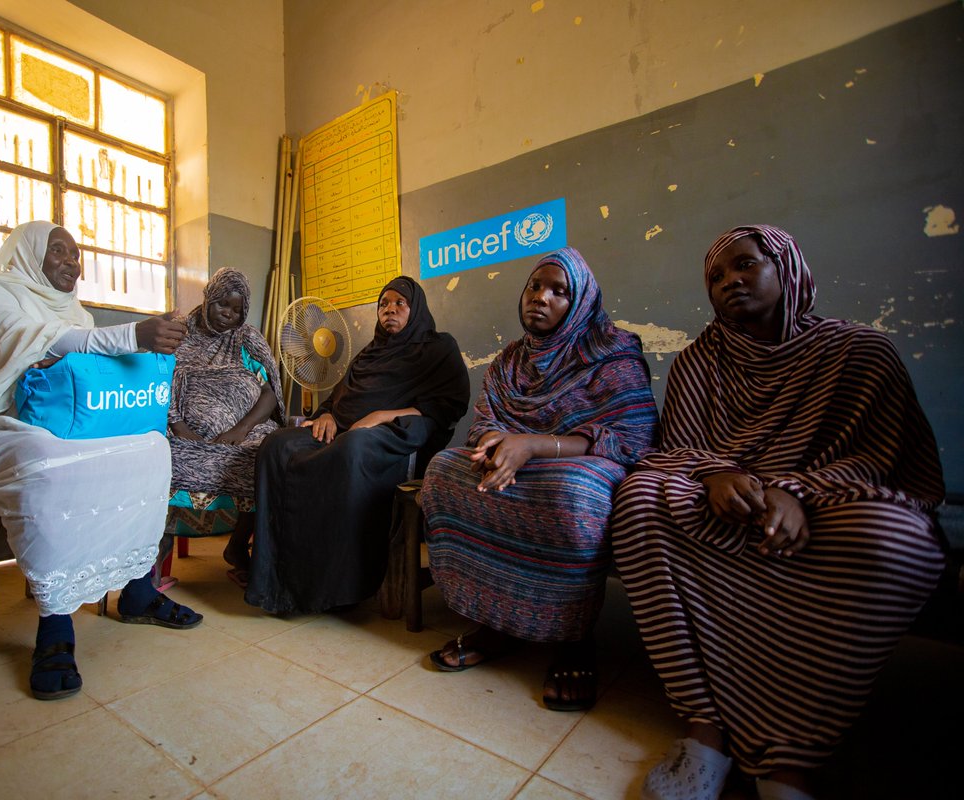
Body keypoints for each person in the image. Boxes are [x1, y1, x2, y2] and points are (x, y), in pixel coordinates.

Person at [610, 225, 946, 800]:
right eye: (715, 278)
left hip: (824, 501)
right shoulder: (699, 362)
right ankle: (704, 726)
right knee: (638, 502)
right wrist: (714, 475)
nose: (728, 283)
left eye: (744, 266)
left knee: (895, 538)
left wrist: (795, 492)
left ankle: (789, 755)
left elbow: (882, 457)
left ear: (786, 267)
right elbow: (675, 452)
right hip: (720, 501)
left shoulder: (859, 351)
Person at [0, 221, 204, 703]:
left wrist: (140, 341)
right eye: (58, 251)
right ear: (27, 254)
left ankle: (138, 590)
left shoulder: (70, 308)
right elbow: (44, 342)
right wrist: (134, 334)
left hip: (47, 425)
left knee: (150, 446)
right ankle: (55, 624)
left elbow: (75, 371)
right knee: (46, 458)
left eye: (77, 255)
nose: (71, 262)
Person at [420, 248, 658, 711]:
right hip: (518, 458)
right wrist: (494, 444)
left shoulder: (613, 352)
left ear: (581, 301)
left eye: (559, 291)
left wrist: (531, 445)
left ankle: (572, 639)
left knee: (575, 491)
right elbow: (485, 421)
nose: (541, 298)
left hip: (579, 462)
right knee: (445, 469)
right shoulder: (509, 360)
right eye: (535, 286)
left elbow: (631, 438)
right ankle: (496, 621)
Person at [246, 276, 471, 614]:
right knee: (276, 446)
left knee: (351, 449)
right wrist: (327, 415)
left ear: (416, 308)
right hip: (345, 431)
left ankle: (338, 588)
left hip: (393, 436)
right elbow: (340, 397)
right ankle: (276, 579)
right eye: (384, 304)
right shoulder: (369, 353)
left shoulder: (438, 347)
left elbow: (448, 406)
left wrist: (382, 415)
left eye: (399, 303)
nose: (390, 310)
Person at [165, 267, 285, 589]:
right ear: (208, 297)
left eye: (236, 310)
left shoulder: (246, 338)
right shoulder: (180, 332)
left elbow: (270, 391)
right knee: (162, 457)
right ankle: (156, 557)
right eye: (222, 305)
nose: (227, 316)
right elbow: (160, 380)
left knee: (271, 455)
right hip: (184, 427)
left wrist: (242, 429)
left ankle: (238, 547)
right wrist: (176, 424)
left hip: (243, 428)